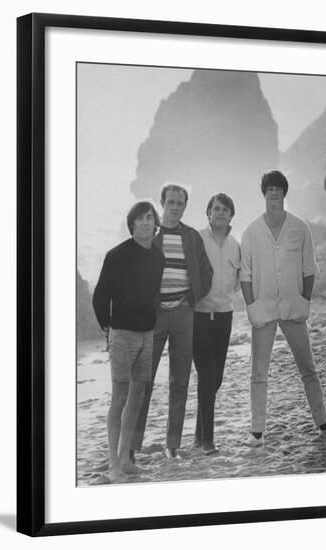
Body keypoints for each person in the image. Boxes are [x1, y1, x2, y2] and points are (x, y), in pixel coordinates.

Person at [240, 170, 326, 447]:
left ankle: (323, 424)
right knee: (258, 372)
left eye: (278, 188)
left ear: (285, 192)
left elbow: (310, 269)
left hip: (293, 308)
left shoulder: (300, 228)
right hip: (263, 311)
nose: (274, 192)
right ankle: (257, 432)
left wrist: (304, 301)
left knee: (308, 368)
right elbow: (245, 275)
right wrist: (251, 307)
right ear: (264, 193)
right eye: (269, 188)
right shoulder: (251, 231)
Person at [130, 183, 213, 460]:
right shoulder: (150, 236)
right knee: (143, 380)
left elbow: (206, 272)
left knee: (180, 381)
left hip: (183, 314)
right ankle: (132, 446)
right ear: (162, 204)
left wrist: (191, 297)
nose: (175, 207)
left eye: (180, 203)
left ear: (185, 206)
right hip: (153, 316)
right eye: (171, 202)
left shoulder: (191, 236)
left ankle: (172, 446)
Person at [92, 201, 164, 481]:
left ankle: (125, 459)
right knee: (119, 397)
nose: (145, 223)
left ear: (154, 223)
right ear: (132, 223)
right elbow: (100, 295)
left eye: (149, 218)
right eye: (140, 219)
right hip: (122, 335)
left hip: (147, 335)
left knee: (137, 398)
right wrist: (107, 329)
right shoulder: (116, 255)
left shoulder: (158, 258)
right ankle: (113, 464)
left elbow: (152, 294)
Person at [193, 193, 241, 455]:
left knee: (216, 378)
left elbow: (237, 279)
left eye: (225, 209)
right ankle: (208, 441)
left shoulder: (236, 244)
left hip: (224, 316)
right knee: (207, 376)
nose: (220, 213)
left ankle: (199, 436)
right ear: (208, 213)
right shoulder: (197, 239)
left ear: (231, 215)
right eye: (216, 209)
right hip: (199, 317)